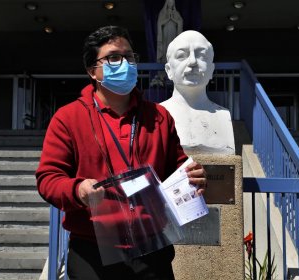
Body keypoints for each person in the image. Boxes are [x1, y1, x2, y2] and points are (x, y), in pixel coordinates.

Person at [36, 26, 207, 280]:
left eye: (129, 57)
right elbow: (48, 178)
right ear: (92, 70)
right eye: (114, 57)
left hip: (152, 249)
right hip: (92, 252)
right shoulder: (68, 118)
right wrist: (78, 190)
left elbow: (178, 167)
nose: (125, 63)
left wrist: (193, 175)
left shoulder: (159, 117)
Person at [161, 30, 235, 154]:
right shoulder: (156, 115)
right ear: (169, 70)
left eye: (201, 55)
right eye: (181, 56)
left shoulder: (224, 115)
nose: (192, 61)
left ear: (211, 70)